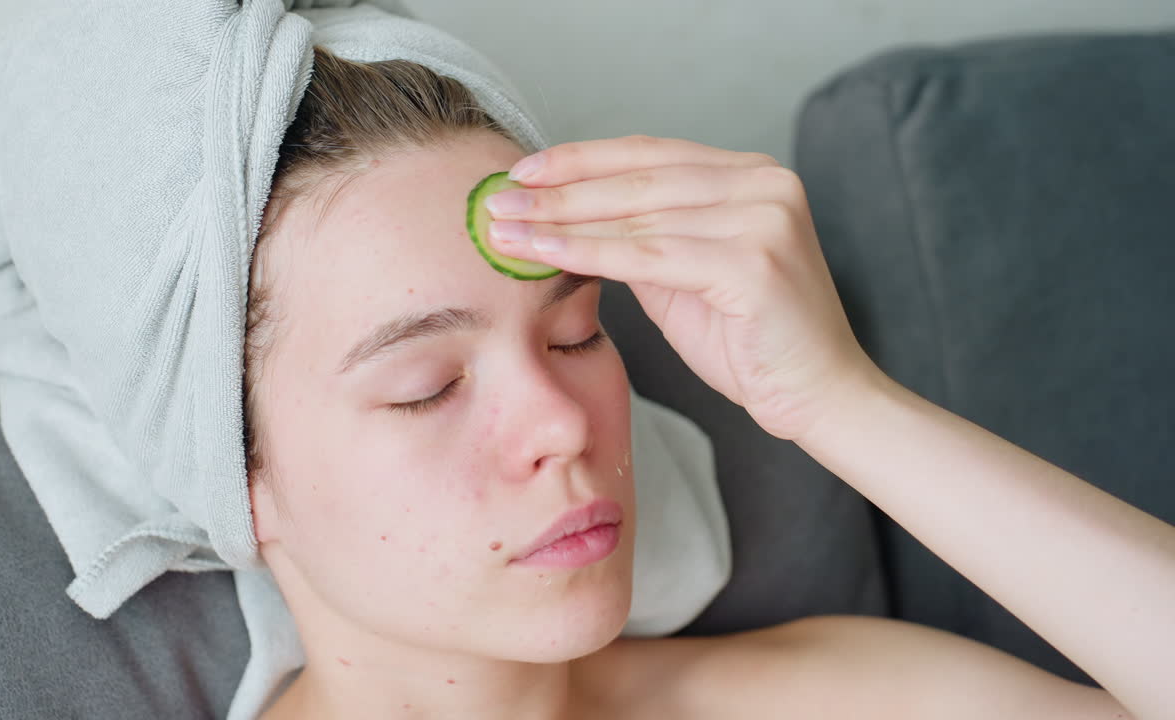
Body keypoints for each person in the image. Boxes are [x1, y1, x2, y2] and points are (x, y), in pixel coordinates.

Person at [240, 44, 1170, 720]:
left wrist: (841, 401)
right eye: (427, 386)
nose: (563, 426)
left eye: (574, 336)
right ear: (242, 479)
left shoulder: (817, 700)